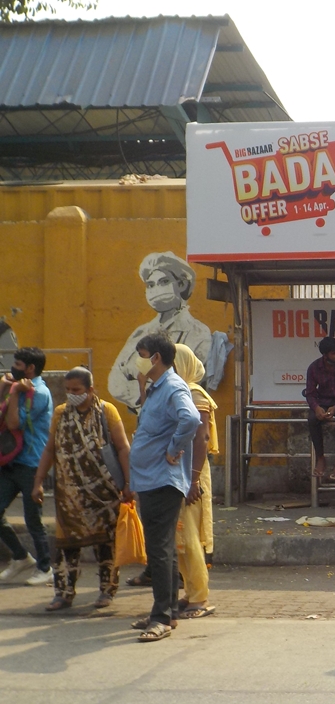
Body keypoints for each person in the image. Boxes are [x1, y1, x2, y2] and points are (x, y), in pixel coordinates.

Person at [30, 367, 131, 610]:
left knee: (106, 543)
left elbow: (123, 448)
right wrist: (38, 482)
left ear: (90, 389)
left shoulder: (107, 411)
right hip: (70, 494)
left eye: (76, 390)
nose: (71, 394)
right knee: (66, 546)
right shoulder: (61, 413)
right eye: (67, 390)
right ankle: (64, 593)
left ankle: (107, 591)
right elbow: (50, 450)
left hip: (103, 492)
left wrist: (129, 484)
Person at [128, 332, 200, 642]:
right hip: (150, 479)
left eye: (141, 353)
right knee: (165, 549)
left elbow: (191, 418)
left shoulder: (172, 386)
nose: (138, 359)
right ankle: (168, 611)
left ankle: (159, 617)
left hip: (162, 480)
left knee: (157, 549)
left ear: (156, 357)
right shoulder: (155, 388)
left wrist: (173, 449)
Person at [108, 252, 212, 412]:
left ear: (182, 284)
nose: (156, 289)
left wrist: (142, 384)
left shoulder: (197, 332)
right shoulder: (140, 332)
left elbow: (181, 379)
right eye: (150, 285)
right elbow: (114, 382)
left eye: (164, 281)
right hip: (145, 416)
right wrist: (146, 391)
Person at [0, 347, 54, 586]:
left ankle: (45, 568)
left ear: (31, 368)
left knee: (33, 520)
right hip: (11, 461)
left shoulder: (39, 392)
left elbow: (13, 421)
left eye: (19, 364)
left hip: (32, 463)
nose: (14, 368)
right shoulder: (20, 388)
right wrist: (4, 388)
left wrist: (12, 390)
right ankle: (21, 557)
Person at [173, 345, 217, 619]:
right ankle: (189, 592)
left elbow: (202, 439)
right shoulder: (175, 391)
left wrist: (194, 480)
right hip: (179, 471)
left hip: (192, 472)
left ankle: (199, 598)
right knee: (180, 538)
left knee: (190, 538)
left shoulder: (194, 393)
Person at [304, 337, 335, 480]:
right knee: (312, 419)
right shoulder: (314, 367)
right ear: (325, 355)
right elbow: (310, 393)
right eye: (334, 353)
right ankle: (320, 458)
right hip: (323, 401)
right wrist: (316, 408)